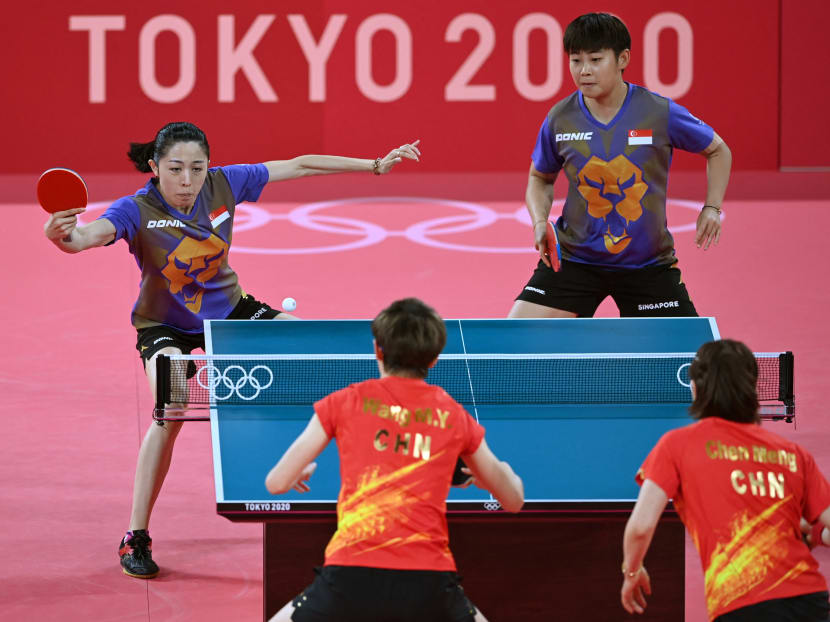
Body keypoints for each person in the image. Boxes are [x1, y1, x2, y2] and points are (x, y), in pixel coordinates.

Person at [42, 122, 422, 579]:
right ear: (155, 166)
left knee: (321, 350)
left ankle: (377, 489)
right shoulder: (135, 210)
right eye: (176, 169)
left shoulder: (225, 183)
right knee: (173, 405)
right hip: (165, 326)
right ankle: (135, 535)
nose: (187, 181)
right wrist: (62, 235)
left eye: (197, 168)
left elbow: (299, 165)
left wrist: (374, 166)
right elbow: (85, 237)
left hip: (230, 311)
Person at [264, 297, 524, 622]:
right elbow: (513, 501)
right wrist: (506, 475)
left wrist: (298, 471)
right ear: (434, 359)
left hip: (350, 576)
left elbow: (275, 483)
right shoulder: (453, 416)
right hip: (428, 582)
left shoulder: (344, 402)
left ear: (378, 350)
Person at [509, 12, 732, 319]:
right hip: (576, 259)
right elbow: (540, 177)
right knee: (518, 339)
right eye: (576, 61)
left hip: (648, 265)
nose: (584, 71)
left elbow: (718, 150)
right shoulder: (560, 117)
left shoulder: (658, 112)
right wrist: (538, 222)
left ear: (623, 59)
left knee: (684, 361)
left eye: (596, 59)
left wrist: (712, 208)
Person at [621, 339, 830, 621]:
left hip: (741, 603)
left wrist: (632, 571)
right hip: (810, 600)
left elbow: (641, 528)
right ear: (752, 389)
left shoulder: (676, 445)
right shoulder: (793, 453)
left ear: (694, 388)